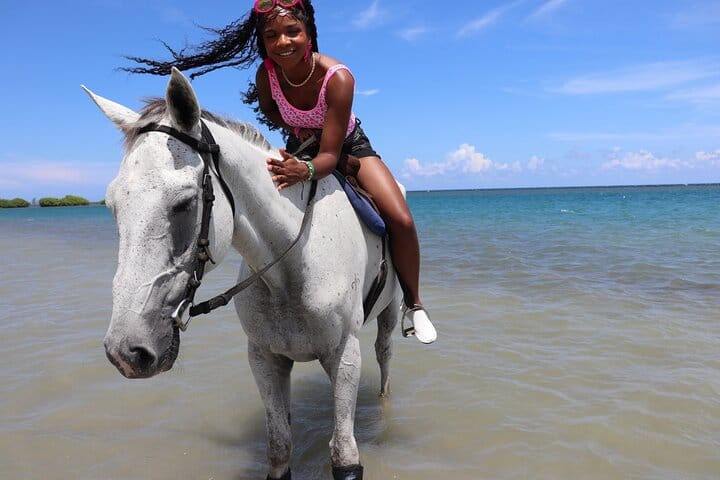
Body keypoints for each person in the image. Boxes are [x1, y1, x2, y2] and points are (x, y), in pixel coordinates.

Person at [125, 0, 436, 344]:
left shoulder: (338, 78)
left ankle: (414, 304)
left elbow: (329, 156)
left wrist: (305, 168)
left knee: (400, 218)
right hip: (300, 144)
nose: (282, 42)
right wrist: (297, 130)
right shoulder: (267, 74)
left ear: (309, 34)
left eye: (292, 32)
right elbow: (271, 110)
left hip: (347, 147)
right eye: (271, 35)